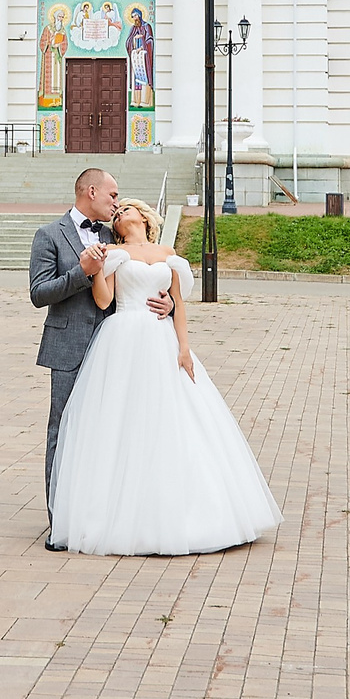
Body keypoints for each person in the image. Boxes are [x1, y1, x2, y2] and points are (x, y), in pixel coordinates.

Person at [47, 197, 282, 556]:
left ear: (143, 216)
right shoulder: (111, 251)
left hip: (162, 338)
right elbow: (103, 300)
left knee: (175, 418)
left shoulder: (167, 251)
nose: (120, 214)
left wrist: (184, 348)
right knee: (124, 422)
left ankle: (194, 513)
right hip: (123, 336)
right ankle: (120, 516)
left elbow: (178, 302)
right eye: (117, 211)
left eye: (126, 209)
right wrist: (95, 271)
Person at [30, 166, 170, 551]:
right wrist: (81, 272)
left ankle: (107, 513)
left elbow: (144, 278)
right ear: (90, 192)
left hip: (118, 349)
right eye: (112, 195)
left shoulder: (116, 235)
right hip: (70, 347)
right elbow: (39, 293)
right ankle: (61, 524)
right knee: (64, 431)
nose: (117, 202)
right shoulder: (48, 236)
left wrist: (169, 302)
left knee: (111, 432)